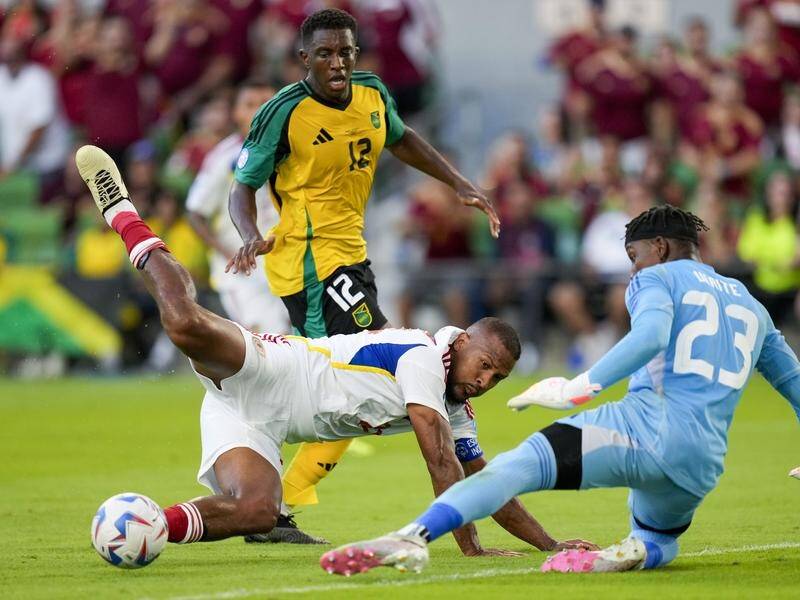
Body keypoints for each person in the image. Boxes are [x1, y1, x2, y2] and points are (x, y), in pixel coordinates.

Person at [74, 144, 590, 560]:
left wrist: (549, 545)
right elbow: (440, 462)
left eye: (497, 378)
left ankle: (147, 528)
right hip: (271, 369)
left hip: (260, 423)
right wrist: (470, 547)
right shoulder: (423, 358)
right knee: (185, 323)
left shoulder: (457, 410)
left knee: (257, 512)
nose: (485, 381)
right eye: (485, 366)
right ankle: (124, 214)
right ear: (462, 341)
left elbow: (487, 482)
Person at [323, 204, 800, 576]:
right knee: (657, 534)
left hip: (641, 429)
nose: (633, 271)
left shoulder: (655, 278)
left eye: (633, 258)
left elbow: (651, 335)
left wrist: (581, 386)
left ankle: (412, 536)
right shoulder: (751, 305)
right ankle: (637, 551)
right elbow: (791, 379)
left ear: (657, 247)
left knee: (512, 467)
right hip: (702, 464)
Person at [226, 8, 500, 542]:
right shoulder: (282, 112)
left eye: (345, 52)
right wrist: (247, 234)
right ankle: (274, 500)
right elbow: (242, 188)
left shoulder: (373, 94)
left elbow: (402, 138)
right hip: (309, 265)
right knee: (376, 370)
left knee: (350, 384)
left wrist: (457, 182)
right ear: (304, 58)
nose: (337, 63)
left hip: (352, 257)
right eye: (324, 53)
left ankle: (271, 498)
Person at [186, 80, 289, 336]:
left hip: (288, 259)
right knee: (267, 341)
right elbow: (195, 213)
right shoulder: (224, 158)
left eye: (266, 103)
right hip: (246, 270)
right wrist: (227, 253)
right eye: (250, 104)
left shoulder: (294, 150)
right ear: (236, 113)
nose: (259, 111)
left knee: (299, 344)